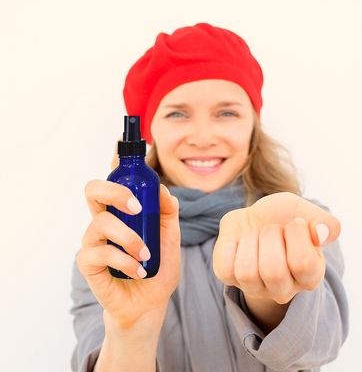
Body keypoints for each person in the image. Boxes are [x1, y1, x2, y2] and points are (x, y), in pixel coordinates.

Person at [70, 23, 348, 372]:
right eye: (177, 113)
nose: (203, 137)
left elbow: (319, 342)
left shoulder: (296, 225)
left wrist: (268, 291)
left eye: (227, 112)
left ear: (253, 127)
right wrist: (131, 329)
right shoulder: (112, 251)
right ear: (148, 133)